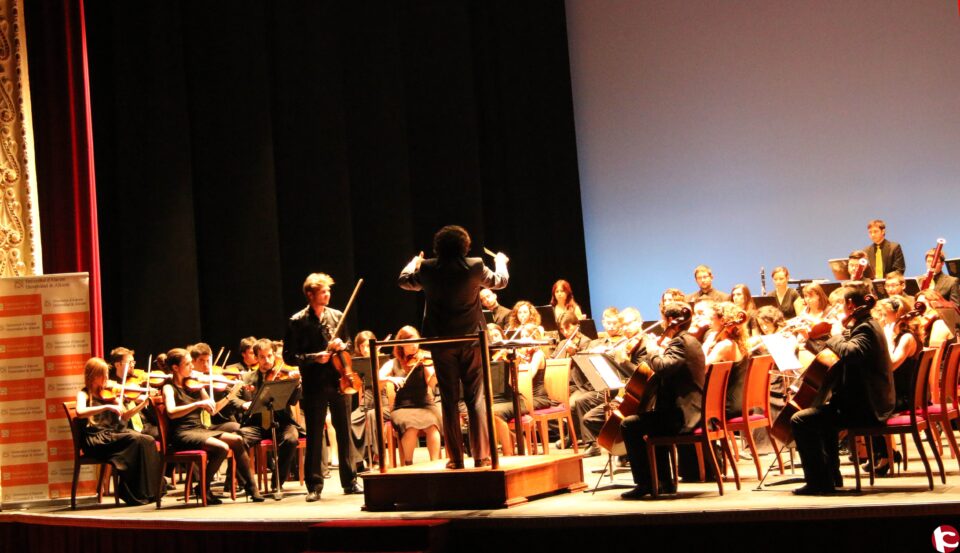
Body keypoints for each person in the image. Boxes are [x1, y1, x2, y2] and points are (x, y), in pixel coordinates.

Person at [398, 224, 509, 469]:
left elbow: (404, 281)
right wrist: (501, 261)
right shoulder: (475, 265)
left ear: (438, 246)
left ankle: (455, 459)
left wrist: (414, 262)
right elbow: (500, 282)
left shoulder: (427, 268)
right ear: (465, 246)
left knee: (448, 399)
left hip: (442, 341)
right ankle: (481, 456)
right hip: (471, 340)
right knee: (475, 397)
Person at [790, 283, 894, 495]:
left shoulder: (866, 327)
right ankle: (830, 476)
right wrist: (811, 340)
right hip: (859, 402)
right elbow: (835, 355)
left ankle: (819, 482)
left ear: (849, 304)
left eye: (839, 305)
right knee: (822, 415)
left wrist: (834, 333)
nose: (837, 311)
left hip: (867, 408)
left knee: (800, 420)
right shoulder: (864, 325)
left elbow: (850, 352)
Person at [283, 272, 361, 501]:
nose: (327, 294)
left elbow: (349, 344)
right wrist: (312, 357)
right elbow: (289, 356)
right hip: (314, 383)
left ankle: (350, 481)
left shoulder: (337, 316)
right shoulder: (297, 321)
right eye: (323, 291)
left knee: (344, 431)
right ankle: (314, 486)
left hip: (339, 379)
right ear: (310, 294)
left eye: (328, 291)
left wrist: (342, 344)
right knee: (316, 434)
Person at [620, 302, 705, 499]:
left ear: (670, 321)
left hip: (684, 417)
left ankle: (646, 483)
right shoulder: (691, 340)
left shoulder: (680, 342)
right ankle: (664, 482)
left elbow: (663, 367)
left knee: (629, 425)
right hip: (690, 411)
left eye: (663, 319)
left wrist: (652, 349)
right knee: (653, 418)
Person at [162, 348, 263, 503]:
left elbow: (213, 410)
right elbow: (171, 412)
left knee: (237, 440)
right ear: (175, 368)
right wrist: (197, 404)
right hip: (182, 433)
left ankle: (252, 488)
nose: (192, 367)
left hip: (199, 429)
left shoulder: (195, 385)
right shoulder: (169, 388)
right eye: (188, 364)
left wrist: (231, 395)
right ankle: (203, 487)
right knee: (221, 447)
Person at [75, 357, 163, 505]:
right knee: (135, 440)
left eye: (107, 375)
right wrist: (106, 407)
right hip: (96, 439)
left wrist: (143, 403)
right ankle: (130, 493)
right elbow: (80, 411)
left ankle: (151, 491)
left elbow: (125, 415)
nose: (107, 378)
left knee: (147, 440)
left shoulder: (110, 394)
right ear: (93, 376)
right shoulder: (83, 394)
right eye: (103, 375)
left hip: (112, 435)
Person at [233, 339, 303, 493]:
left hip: (281, 422)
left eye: (270, 356)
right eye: (263, 357)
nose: (267, 360)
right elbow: (233, 397)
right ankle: (248, 484)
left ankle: (278, 480)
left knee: (291, 439)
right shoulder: (247, 378)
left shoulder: (283, 376)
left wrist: (297, 384)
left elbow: (293, 401)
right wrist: (242, 404)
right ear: (256, 358)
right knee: (237, 440)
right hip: (256, 424)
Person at [379, 326, 443, 465]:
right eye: (410, 342)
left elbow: (431, 384)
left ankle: (435, 464)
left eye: (416, 341)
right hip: (402, 407)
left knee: (432, 425)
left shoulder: (424, 360)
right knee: (410, 426)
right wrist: (392, 379)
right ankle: (408, 464)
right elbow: (379, 378)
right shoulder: (393, 363)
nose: (415, 346)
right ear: (401, 344)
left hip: (425, 404)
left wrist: (438, 371)